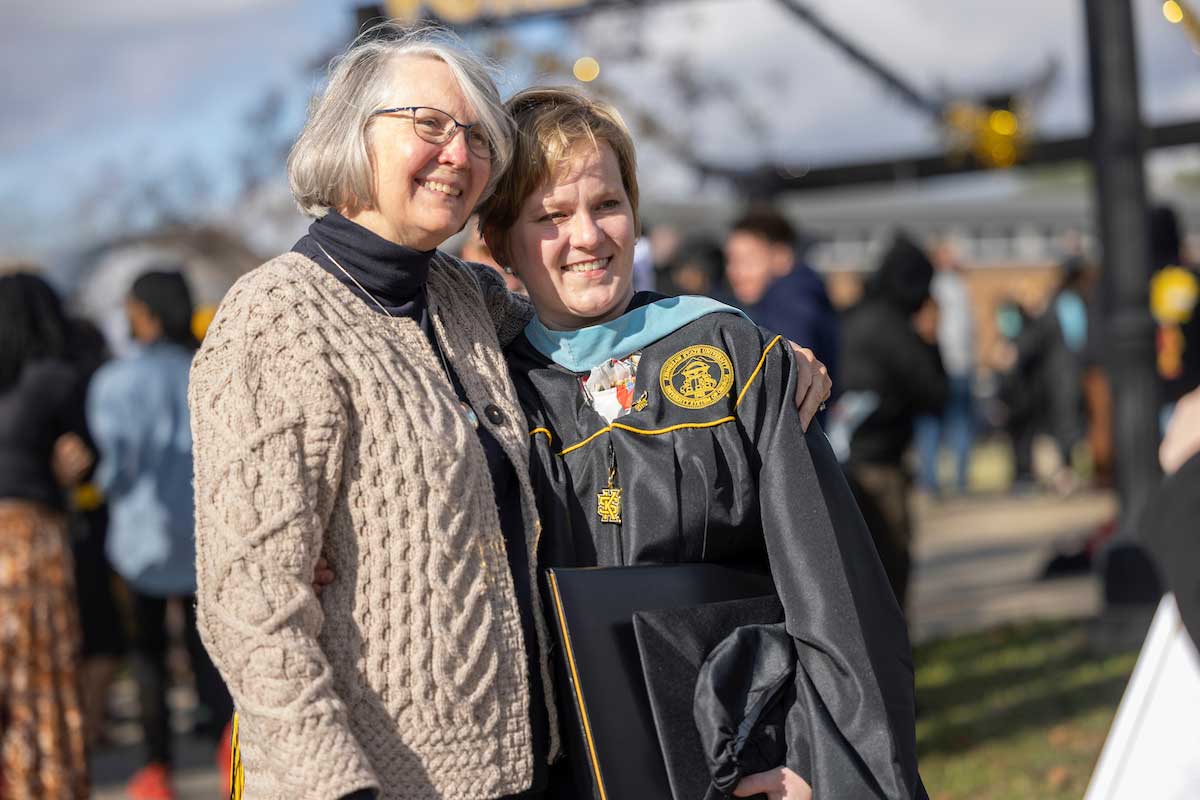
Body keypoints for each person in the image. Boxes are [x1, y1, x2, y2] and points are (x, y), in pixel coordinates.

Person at [204, 24, 829, 800]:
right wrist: (334, 786)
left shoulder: (460, 299)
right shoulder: (277, 319)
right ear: (350, 134)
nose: (458, 152)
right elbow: (250, 608)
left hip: (524, 767)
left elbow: (590, 301)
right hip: (378, 778)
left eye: (474, 134)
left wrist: (749, 348)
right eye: (428, 125)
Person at [479, 86, 925, 800]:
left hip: (751, 764)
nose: (588, 237)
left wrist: (818, 762)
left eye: (608, 205)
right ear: (501, 243)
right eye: (551, 217)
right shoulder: (491, 398)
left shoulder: (730, 357)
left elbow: (834, 602)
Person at [88, 268, 233, 800]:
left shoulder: (115, 382)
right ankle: (229, 753)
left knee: (146, 654)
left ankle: (155, 773)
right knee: (213, 652)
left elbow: (114, 471)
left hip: (139, 541)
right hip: (207, 536)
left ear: (143, 313)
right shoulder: (210, 367)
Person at [0, 271, 92, 800]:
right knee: (40, 674)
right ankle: (42, 783)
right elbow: (83, 459)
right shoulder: (56, 379)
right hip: (31, 538)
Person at [834, 234, 948, 612]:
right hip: (878, 463)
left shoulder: (854, 317)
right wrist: (931, 340)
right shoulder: (894, 328)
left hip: (843, 457)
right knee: (889, 564)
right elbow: (934, 393)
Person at [725, 207, 839, 391]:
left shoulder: (790, 304)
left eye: (746, 260)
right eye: (731, 260)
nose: (734, 271)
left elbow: (783, 382)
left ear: (781, 256)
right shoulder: (800, 293)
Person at [914, 241, 975, 495]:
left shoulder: (935, 287)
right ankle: (945, 480)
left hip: (947, 365)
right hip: (950, 365)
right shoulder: (952, 287)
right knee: (948, 423)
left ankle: (936, 480)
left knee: (935, 424)